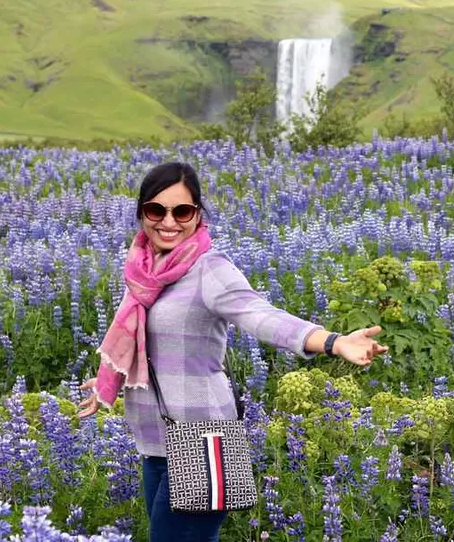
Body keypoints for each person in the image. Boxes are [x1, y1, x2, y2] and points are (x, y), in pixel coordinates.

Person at [77, 161, 388, 542]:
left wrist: (331, 340)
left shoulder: (210, 269)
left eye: (183, 211)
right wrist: (110, 380)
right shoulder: (142, 271)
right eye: (156, 210)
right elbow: (140, 345)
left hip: (201, 438)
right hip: (156, 442)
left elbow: (259, 315)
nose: (168, 222)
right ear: (142, 212)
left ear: (198, 214)